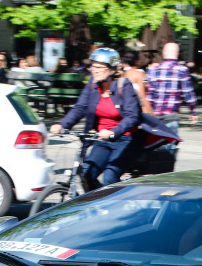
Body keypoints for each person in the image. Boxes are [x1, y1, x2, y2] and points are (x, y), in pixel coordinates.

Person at [49, 47, 142, 189]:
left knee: (109, 177)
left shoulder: (124, 86)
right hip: (102, 138)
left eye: (100, 67)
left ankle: (114, 207)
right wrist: (63, 125)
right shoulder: (92, 85)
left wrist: (113, 132)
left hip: (125, 139)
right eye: (93, 66)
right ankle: (97, 203)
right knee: (87, 173)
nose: (95, 70)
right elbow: (80, 107)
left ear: (112, 69)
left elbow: (132, 116)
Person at [146, 41, 199, 132]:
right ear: (177, 54)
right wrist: (193, 111)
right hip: (171, 114)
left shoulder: (153, 70)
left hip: (154, 115)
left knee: (155, 144)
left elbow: (150, 94)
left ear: (163, 53)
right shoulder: (182, 70)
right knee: (170, 143)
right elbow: (188, 93)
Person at [121, 50, 155, 115]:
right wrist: (151, 113)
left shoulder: (122, 74)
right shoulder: (139, 74)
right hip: (136, 108)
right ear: (137, 61)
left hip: (124, 107)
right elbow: (142, 96)